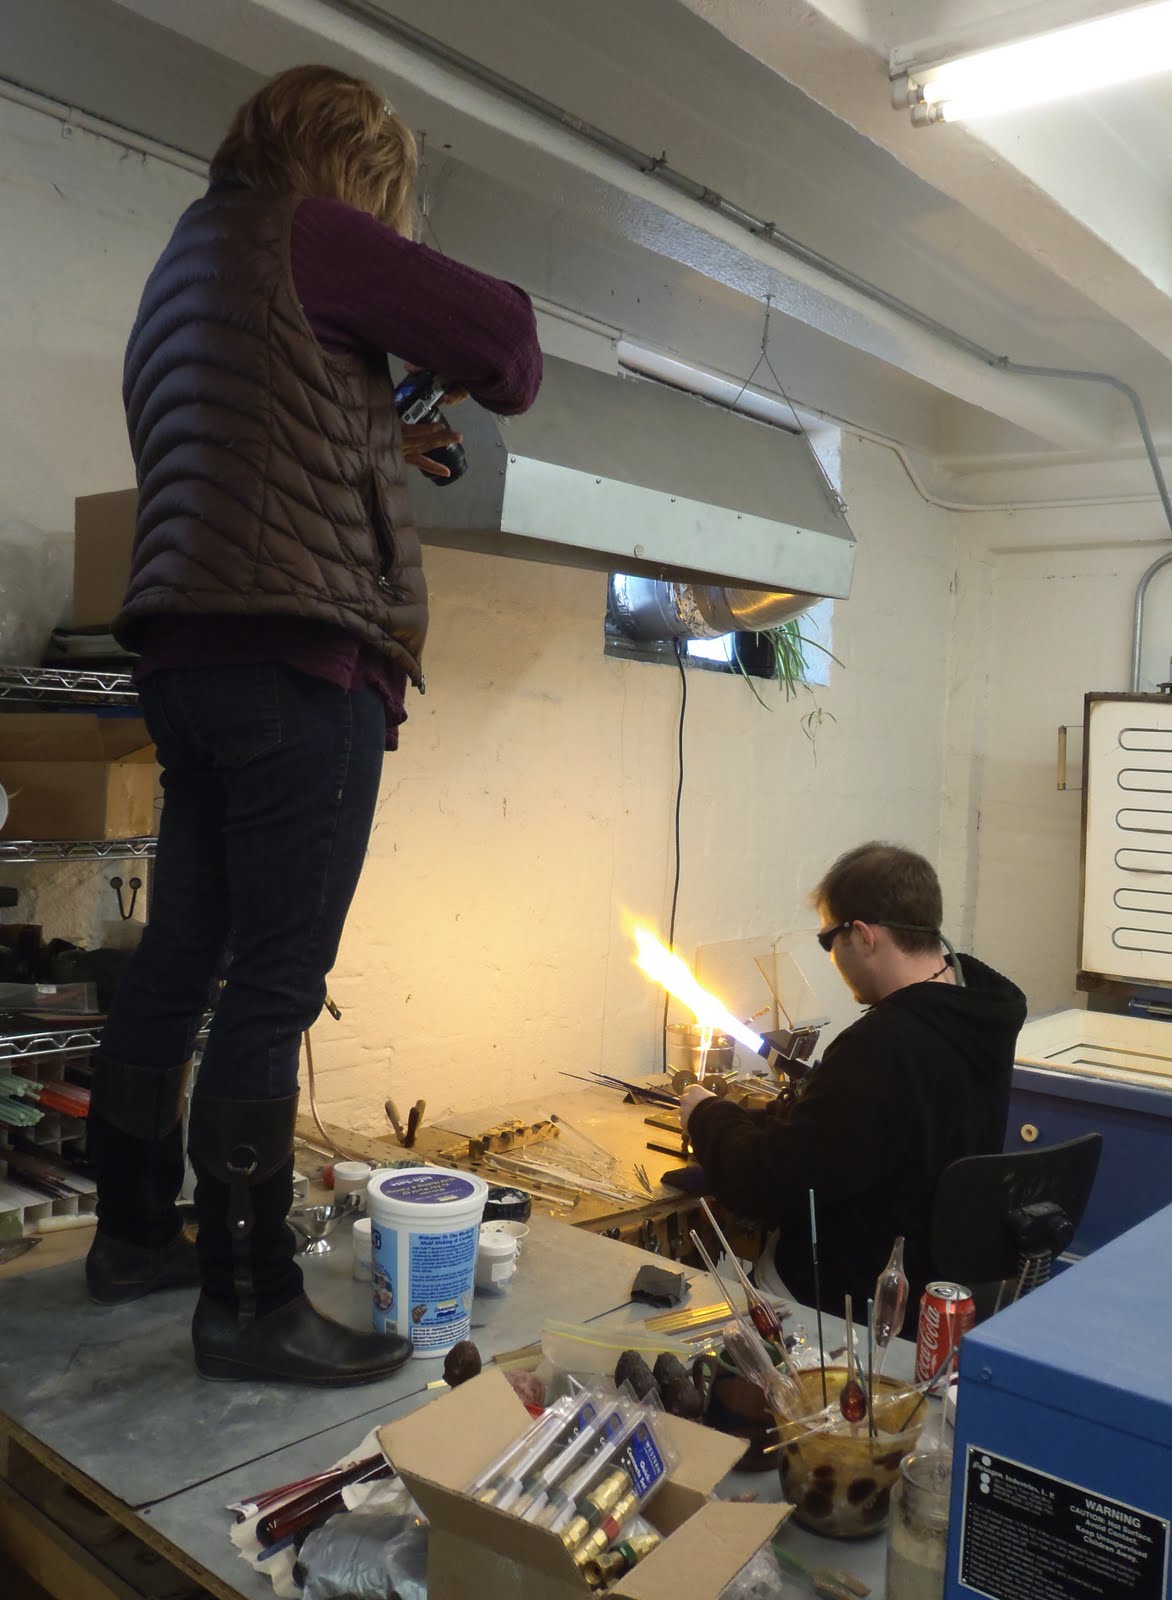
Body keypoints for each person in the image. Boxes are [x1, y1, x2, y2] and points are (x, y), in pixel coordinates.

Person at [83, 66, 543, 1386]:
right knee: (276, 983)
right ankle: (248, 1302)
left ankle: (133, 1235)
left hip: (186, 657)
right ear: (351, 169)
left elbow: (267, 445)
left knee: (184, 954)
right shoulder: (311, 233)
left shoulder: (187, 267)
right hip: (295, 660)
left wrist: (386, 418)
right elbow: (510, 349)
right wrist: (418, 306)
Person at [679, 842, 1026, 1329]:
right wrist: (766, 1117)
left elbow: (771, 1183)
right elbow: (847, 1131)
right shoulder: (977, 1010)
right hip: (932, 1288)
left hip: (850, 1297)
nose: (832, 957)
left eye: (829, 940)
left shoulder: (882, 1045)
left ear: (863, 935)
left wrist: (705, 1116)